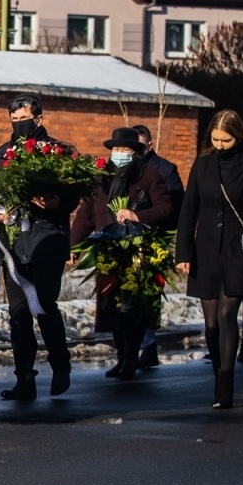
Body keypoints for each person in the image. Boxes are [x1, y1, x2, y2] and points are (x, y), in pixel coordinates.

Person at [175, 109, 243, 410]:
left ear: (238, 137)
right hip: (205, 249)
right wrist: (183, 252)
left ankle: (227, 382)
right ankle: (218, 371)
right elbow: (188, 209)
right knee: (211, 324)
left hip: (237, 250)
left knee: (227, 315)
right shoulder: (202, 165)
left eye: (226, 140)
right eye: (216, 139)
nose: (220, 145)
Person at [69, 126, 174, 380]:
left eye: (125, 149)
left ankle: (131, 357)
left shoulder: (148, 175)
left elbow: (165, 208)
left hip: (138, 251)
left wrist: (137, 216)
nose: (119, 154)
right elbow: (86, 215)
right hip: (108, 250)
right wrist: (73, 245)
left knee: (133, 308)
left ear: (136, 152)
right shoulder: (101, 177)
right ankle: (121, 357)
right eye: (116, 149)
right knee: (112, 307)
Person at [0, 95, 74, 401]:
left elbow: (72, 193)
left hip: (47, 240)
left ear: (38, 118)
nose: (19, 125)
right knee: (18, 314)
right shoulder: (1, 155)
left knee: (45, 307)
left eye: (24, 118)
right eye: (13, 120)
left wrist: (57, 203)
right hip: (14, 245)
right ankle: (25, 378)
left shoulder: (58, 152)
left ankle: (60, 364)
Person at [131, 123, 187, 370]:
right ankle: (129, 348)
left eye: (139, 147)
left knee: (149, 293)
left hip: (155, 239)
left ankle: (148, 344)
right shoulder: (126, 168)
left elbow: (174, 208)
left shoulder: (165, 170)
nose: (134, 152)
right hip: (126, 241)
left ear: (150, 145)